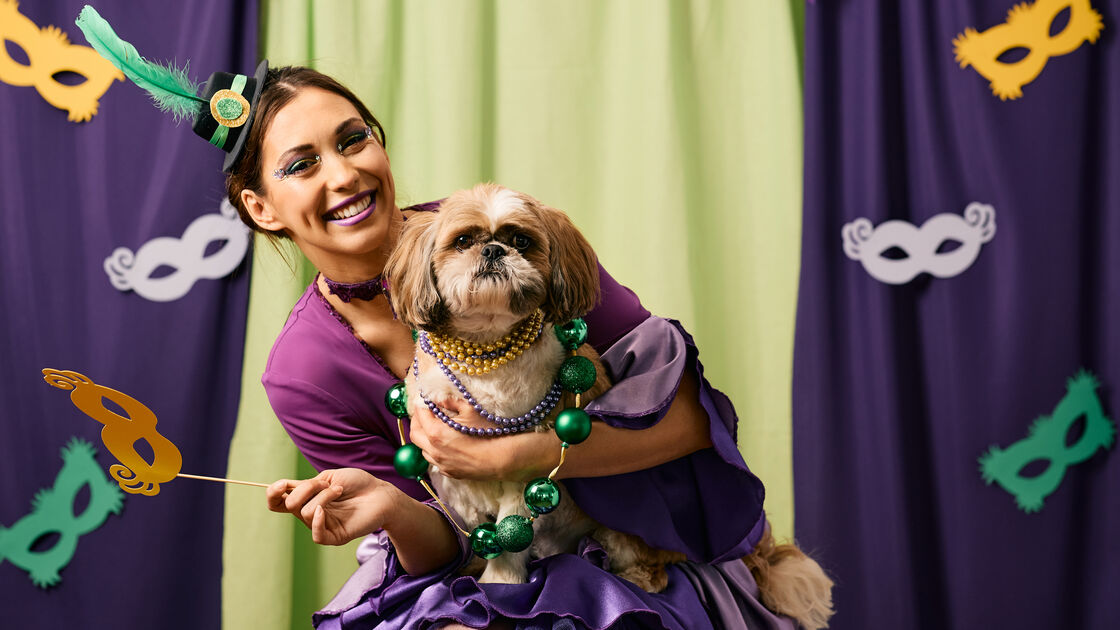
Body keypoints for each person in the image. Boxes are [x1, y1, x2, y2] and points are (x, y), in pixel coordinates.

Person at [228, 66, 792, 630]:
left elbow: (691, 424)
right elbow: (448, 549)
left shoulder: (520, 232)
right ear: (261, 208)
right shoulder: (303, 372)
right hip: (469, 571)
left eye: (354, 139)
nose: (345, 173)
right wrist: (392, 510)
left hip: (621, 534)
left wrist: (513, 457)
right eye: (301, 165)